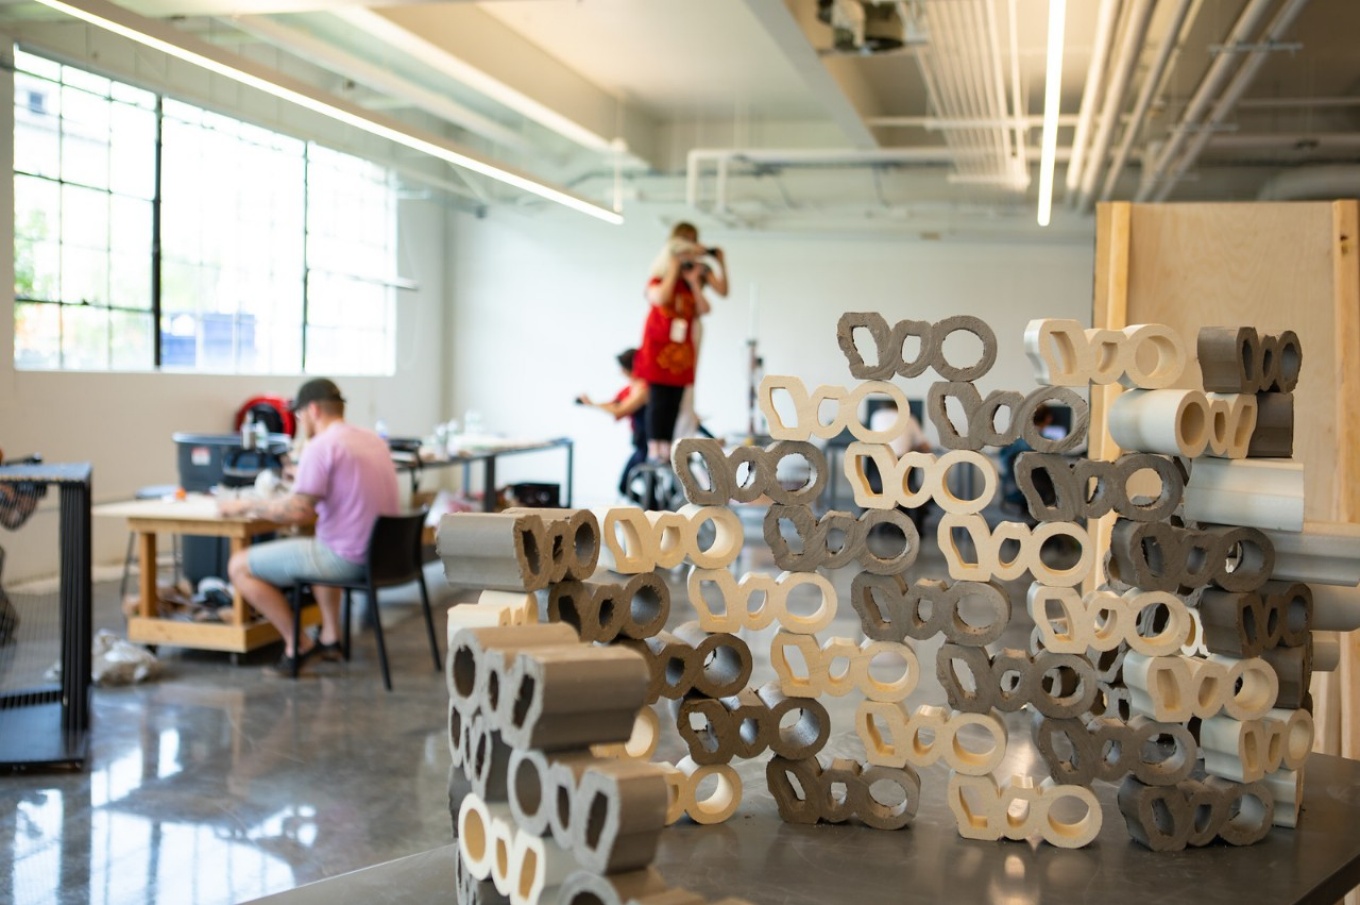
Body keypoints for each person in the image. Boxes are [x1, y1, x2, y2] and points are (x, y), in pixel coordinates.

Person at [219, 378, 399, 676]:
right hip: (387, 557)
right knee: (321, 536)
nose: (300, 421)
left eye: (300, 415)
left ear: (313, 410)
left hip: (348, 560)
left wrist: (245, 505)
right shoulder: (372, 439)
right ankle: (330, 639)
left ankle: (297, 644)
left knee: (239, 566)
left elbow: (298, 511)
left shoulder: (322, 445)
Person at [633, 222, 727, 462]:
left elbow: (706, 307)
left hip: (681, 353)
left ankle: (669, 446)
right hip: (659, 351)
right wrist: (674, 266)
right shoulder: (658, 280)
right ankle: (656, 446)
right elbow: (661, 298)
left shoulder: (690, 285)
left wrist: (695, 279)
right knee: (658, 401)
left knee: (675, 400)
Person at [577, 348, 649, 503]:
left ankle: (656, 511)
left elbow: (621, 410)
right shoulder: (632, 388)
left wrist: (593, 404)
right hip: (640, 443)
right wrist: (592, 403)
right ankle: (653, 510)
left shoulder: (643, 388)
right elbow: (614, 404)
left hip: (647, 445)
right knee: (627, 486)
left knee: (629, 485)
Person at [865, 401, 934, 535]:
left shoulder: (876, 416)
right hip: (903, 476)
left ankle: (871, 527)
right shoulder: (909, 418)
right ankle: (914, 527)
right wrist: (912, 448)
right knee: (915, 488)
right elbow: (926, 447)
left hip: (877, 474)